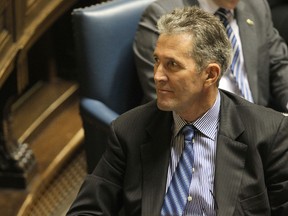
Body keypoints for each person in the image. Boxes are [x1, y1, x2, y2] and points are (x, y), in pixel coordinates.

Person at [67, 7, 288, 215]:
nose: (157, 76)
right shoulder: (128, 131)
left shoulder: (268, 135)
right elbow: (86, 210)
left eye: (172, 65)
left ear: (210, 75)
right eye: (156, 61)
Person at [133, 0, 288, 113]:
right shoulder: (164, 16)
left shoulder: (255, 5)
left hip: (260, 121)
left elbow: (279, 63)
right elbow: (164, 94)